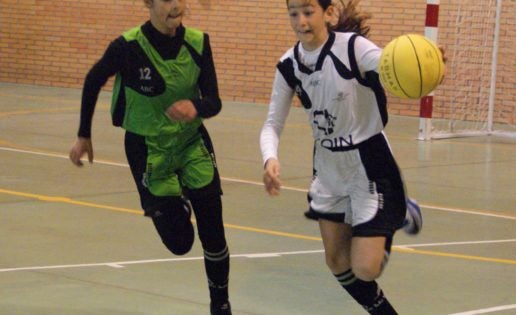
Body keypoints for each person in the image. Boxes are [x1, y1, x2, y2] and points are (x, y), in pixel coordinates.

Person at [260, 0, 435, 314]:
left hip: (368, 160)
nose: (301, 21)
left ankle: (397, 212)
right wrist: (269, 158)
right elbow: (272, 124)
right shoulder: (288, 65)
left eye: (309, 12)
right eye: (294, 14)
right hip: (327, 165)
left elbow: (388, 64)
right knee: (337, 261)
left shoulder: (354, 48)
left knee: (366, 268)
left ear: (327, 13)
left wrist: (423, 64)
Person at [68, 0, 231, 314]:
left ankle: (220, 303)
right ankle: (175, 206)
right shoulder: (128, 46)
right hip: (148, 149)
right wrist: (83, 134)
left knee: (214, 230)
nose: (177, 5)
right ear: (149, 4)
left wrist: (196, 107)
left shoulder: (198, 42)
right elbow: (93, 79)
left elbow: (214, 100)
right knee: (180, 243)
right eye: (168, 0)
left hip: (190, 143)